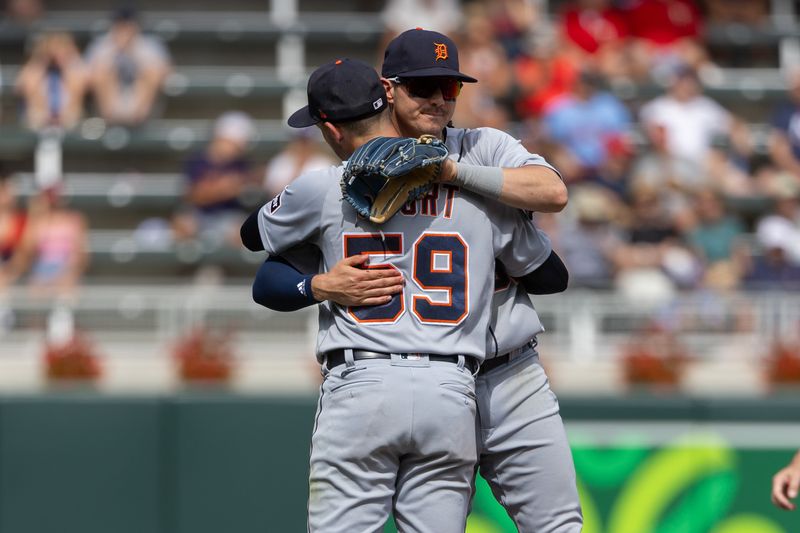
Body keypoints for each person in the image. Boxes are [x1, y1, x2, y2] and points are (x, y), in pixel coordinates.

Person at [251, 29, 581, 532]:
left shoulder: (478, 152)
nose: (439, 100)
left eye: (450, 89)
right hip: (448, 379)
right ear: (388, 89)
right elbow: (548, 272)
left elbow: (554, 195)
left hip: (505, 373)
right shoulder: (349, 181)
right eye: (422, 88)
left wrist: (452, 172)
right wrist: (322, 284)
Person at [173, 111, 257, 248]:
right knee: (182, 225)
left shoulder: (241, 165)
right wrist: (222, 189)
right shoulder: (197, 161)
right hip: (199, 214)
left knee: (242, 232)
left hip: (227, 216)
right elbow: (193, 195)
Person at [85, 7, 171, 126]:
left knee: (152, 71)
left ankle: (136, 117)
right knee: (101, 70)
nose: (124, 28)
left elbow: (164, 72)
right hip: (110, 101)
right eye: (120, 24)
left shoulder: (150, 43)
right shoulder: (102, 43)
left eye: (128, 24)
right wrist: (115, 51)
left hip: (140, 102)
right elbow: (89, 75)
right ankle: (111, 116)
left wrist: (133, 50)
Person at [14, 31, 88, 131]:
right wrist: (40, 59)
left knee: (72, 119)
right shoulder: (36, 72)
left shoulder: (74, 72)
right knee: (36, 118)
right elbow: (21, 85)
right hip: (38, 122)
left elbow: (82, 83)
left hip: (69, 122)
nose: (56, 54)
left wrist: (69, 59)